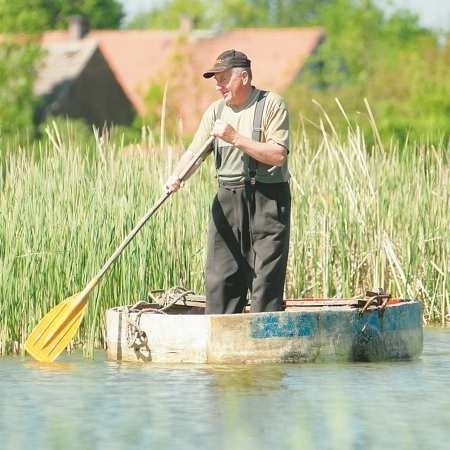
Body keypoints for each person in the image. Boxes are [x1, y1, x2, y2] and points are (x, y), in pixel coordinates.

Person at [165, 49, 291, 314]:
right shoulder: (215, 111)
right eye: (216, 80)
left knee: (265, 282)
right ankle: (222, 344)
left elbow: (278, 155)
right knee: (221, 279)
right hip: (227, 199)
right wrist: (177, 176)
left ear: (243, 77)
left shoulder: (271, 104)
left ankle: (262, 341)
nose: (218, 85)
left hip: (267, 198)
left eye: (223, 79)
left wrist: (235, 137)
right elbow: (194, 153)